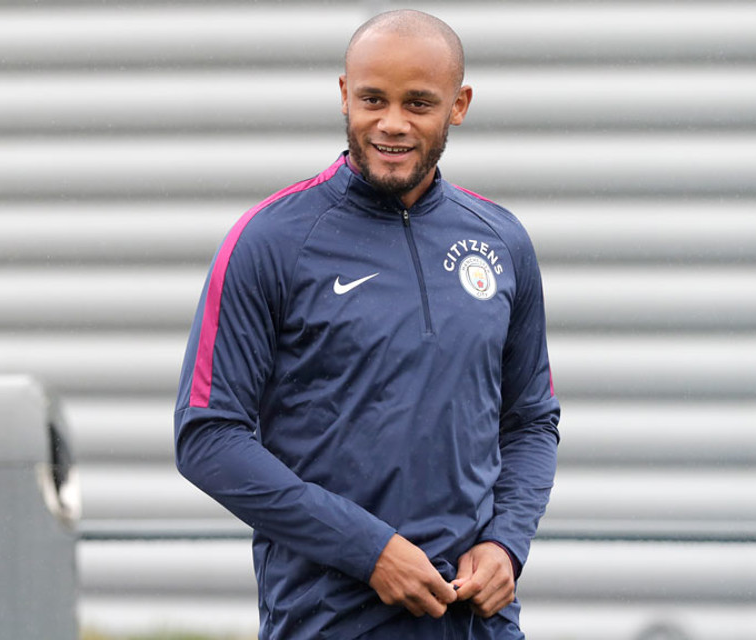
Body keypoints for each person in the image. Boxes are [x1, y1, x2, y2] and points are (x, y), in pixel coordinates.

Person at [174, 9, 560, 639]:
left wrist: (506, 544)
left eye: (419, 103)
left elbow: (531, 420)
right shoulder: (269, 241)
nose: (392, 123)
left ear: (459, 105)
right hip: (328, 622)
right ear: (343, 95)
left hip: (479, 623)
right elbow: (208, 438)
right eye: (372, 99)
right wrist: (370, 550)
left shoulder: (503, 241)